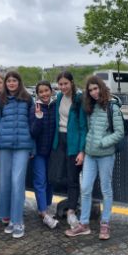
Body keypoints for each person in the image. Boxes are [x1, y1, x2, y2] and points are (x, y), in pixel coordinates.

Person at [66, 76, 123, 239]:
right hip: (90, 155)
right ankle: (84, 224)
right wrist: (85, 150)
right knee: (85, 188)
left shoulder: (113, 107)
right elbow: (88, 130)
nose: (93, 92)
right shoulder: (89, 107)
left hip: (105, 155)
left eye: (95, 88)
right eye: (90, 90)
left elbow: (119, 132)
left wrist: (103, 142)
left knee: (106, 189)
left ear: (101, 88)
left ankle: (104, 224)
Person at [0, 71, 34, 239]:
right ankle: (7, 217)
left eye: (14, 80)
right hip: (4, 146)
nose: (11, 83)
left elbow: (32, 124)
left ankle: (18, 220)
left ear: (19, 82)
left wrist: (32, 147)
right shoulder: (0, 101)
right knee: (4, 183)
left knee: (17, 182)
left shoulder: (28, 99)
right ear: (6, 84)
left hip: (22, 146)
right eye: (9, 81)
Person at [50, 71, 87, 229]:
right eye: (61, 84)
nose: (63, 87)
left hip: (74, 143)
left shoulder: (79, 99)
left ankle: (72, 209)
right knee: (56, 175)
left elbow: (83, 126)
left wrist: (82, 150)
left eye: (66, 83)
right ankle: (69, 202)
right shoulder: (58, 97)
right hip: (60, 141)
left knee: (73, 177)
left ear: (72, 83)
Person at [30, 80, 58, 229]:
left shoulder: (55, 106)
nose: (44, 94)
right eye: (41, 92)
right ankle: (42, 211)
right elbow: (33, 132)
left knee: (50, 180)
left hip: (53, 151)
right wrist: (39, 118)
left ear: (51, 91)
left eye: (46, 91)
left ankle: (47, 205)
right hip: (39, 152)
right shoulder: (34, 108)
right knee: (40, 181)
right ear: (38, 94)